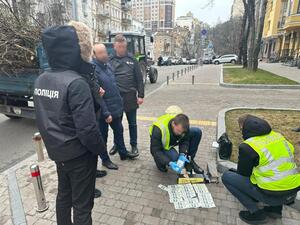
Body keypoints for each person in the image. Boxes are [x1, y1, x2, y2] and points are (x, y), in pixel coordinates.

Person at [34, 21, 107, 225]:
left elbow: (42, 118)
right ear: (75, 49)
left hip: (58, 152)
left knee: (64, 197)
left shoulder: (42, 79)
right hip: (79, 154)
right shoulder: (76, 82)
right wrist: (101, 150)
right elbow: (88, 129)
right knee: (83, 206)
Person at [222, 115, 300, 225]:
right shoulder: (279, 136)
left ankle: (256, 213)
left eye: (241, 129)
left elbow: (243, 174)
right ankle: (276, 210)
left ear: (245, 129)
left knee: (227, 177)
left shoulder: (249, 146)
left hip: (272, 195)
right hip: (293, 191)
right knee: (278, 174)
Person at [92, 43, 139, 161]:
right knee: (103, 135)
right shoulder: (94, 70)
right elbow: (98, 96)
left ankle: (123, 153)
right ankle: (105, 160)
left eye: (105, 52)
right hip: (104, 111)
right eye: (100, 53)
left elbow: (113, 86)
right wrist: (106, 113)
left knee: (119, 131)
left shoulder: (107, 65)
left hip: (116, 107)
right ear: (94, 55)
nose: (104, 55)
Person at [109, 34, 144, 155]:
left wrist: (141, 95)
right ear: (114, 46)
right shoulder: (110, 60)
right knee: (116, 124)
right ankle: (117, 144)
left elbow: (139, 79)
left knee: (132, 123)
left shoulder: (132, 59)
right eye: (119, 47)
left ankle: (134, 145)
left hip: (130, 96)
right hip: (116, 98)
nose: (122, 49)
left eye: (123, 46)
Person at [149, 109, 204, 174]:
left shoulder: (183, 126)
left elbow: (185, 140)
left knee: (196, 132)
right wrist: (169, 162)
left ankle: (189, 161)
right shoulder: (158, 129)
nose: (180, 134)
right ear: (173, 124)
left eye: (182, 132)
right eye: (178, 131)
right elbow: (156, 151)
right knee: (174, 158)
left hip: (174, 140)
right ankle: (159, 163)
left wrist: (183, 153)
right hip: (163, 145)